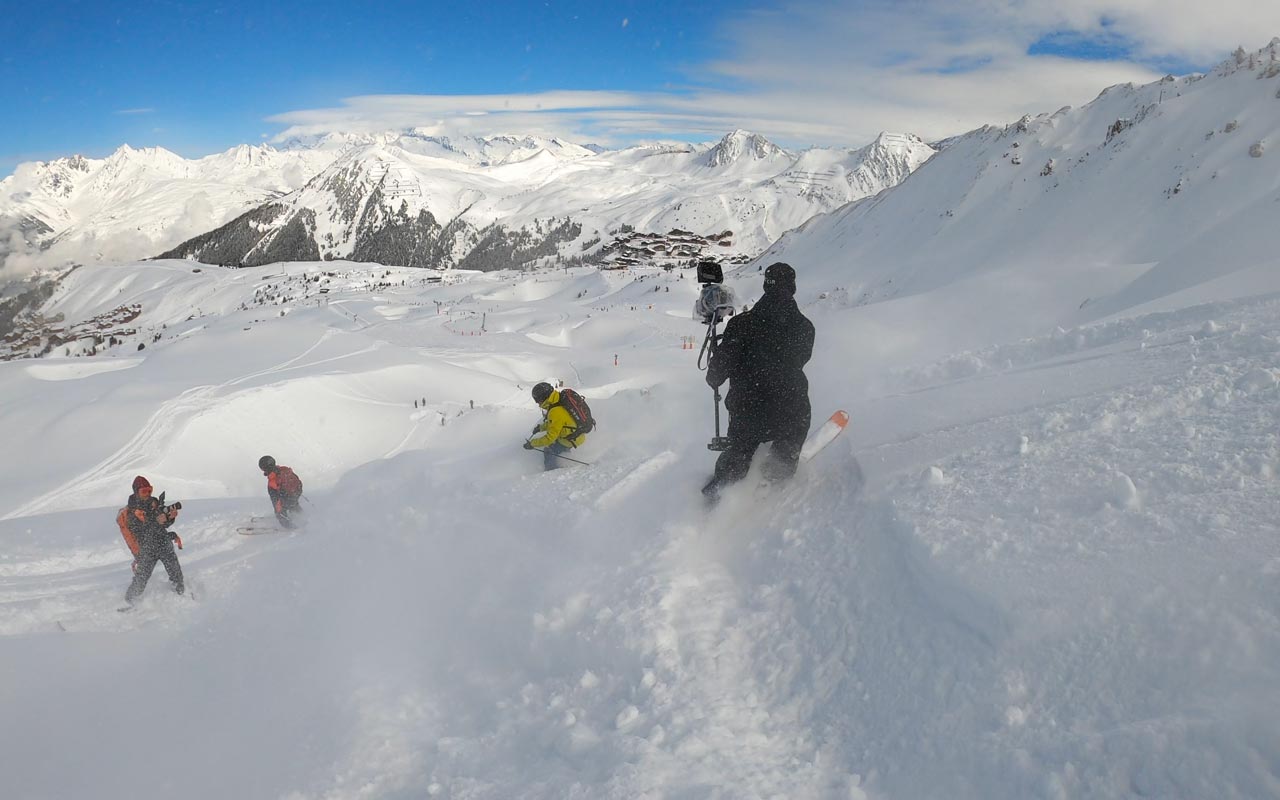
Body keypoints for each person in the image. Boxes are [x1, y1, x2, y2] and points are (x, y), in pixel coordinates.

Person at [702, 262, 815, 501]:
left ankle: (712, 503)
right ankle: (773, 487)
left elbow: (716, 374)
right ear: (793, 287)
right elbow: (800, 360)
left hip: (748, 410)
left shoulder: (741, 324)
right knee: (788, 445)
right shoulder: (805, 328)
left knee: (738, 455)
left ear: (766, 285)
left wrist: (716, 369)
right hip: (792, 409)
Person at [122, 475, 184, 605]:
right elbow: (139, 531)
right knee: (141, 578)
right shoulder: (132, 511)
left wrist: (169, 518)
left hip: (163, 543)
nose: (148, 494)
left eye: (149, 490)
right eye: (144, 491)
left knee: (176, 573)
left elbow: (163, 525)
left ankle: (181, 594)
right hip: (147, 549)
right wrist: (156, 521)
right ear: (136, 491)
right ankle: (129, 601)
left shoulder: (154, 502)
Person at [524, 382, 590, 471]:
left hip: (571, 438)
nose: (538, 404)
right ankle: (564, 453)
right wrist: (541, 428)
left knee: (549, 450)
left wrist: (532, 443)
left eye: (537, 400)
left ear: (543, 398)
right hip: (577, 433)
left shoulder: (555, 411)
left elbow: (549, 438)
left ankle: (550, 471)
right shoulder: (558, 400)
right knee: (557, 444)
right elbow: (556, 423)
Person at [259, 455, 304, 528]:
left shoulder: (272, 481)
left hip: (287, 498)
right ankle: (302, 515)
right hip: (296, 493)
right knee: (293, 504)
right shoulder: (284, 469)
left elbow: (275, 501)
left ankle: (289, 527)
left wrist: (278, 513)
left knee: (280, 511)